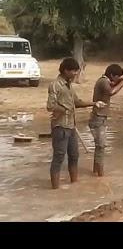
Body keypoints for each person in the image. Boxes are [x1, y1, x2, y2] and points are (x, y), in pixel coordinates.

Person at [46, 58, 104, 189]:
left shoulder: (69, 85)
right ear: (65, 70)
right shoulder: (55, 85)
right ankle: (55, 189)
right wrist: (62, 110)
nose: (75, 73)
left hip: (71, 126)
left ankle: (74, 185)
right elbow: (50, 106)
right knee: (59, 157)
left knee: (74, 155)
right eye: (73, 71)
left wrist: (94, 103)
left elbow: (76, 102)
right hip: (60, 126)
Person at [89, 64, 123, 176]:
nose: (118, 79)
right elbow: (111, 92)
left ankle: (96, 172)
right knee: (101, 146)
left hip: (99, 118)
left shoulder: (105, 80)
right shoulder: (103, 82)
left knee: (99, 147)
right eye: (117, 77)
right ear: (112, 75)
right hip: (98, 118)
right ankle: (100, 175)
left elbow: (113, 85)